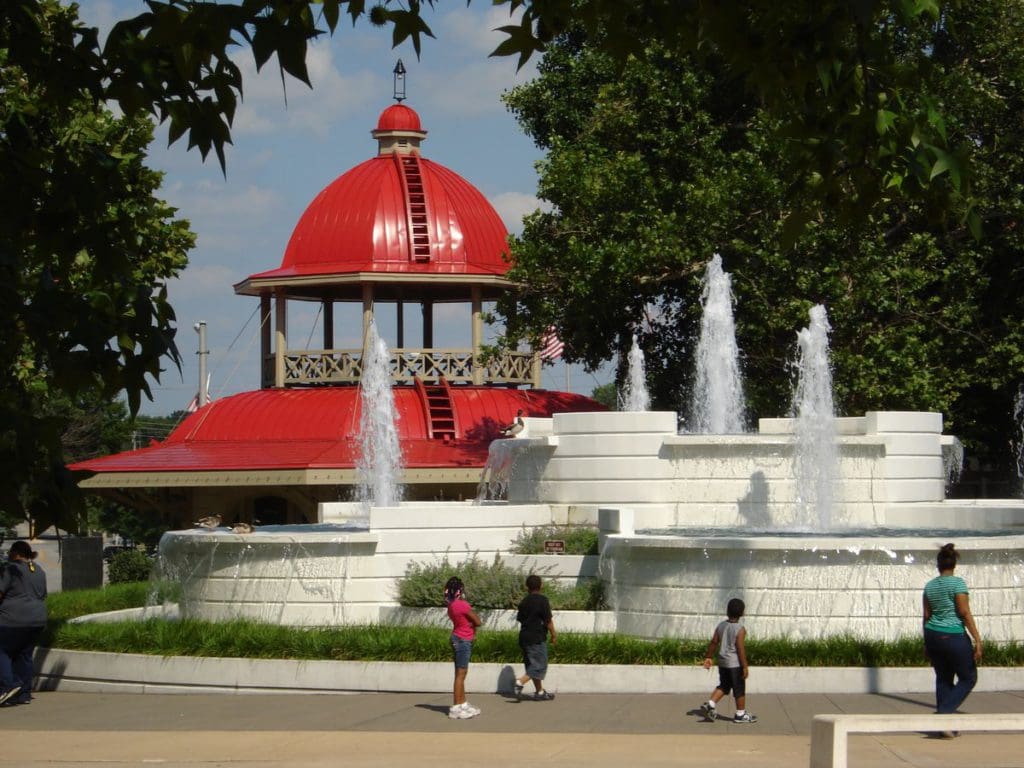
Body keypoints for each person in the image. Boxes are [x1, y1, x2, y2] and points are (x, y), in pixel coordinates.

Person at [923, 542, 982, 729]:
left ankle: (945, 727)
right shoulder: (958, 583)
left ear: (938, 565)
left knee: (943, 678)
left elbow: (926, 616)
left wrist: (926, 643)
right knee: (968, 678)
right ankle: (943, 714)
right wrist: (977, 640)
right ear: (954, 564)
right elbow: (964, 612)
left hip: (933, 635)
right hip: (953, 636)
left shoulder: (929, 586)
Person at [0, 541, 48, 706]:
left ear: (16, 553)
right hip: (37, 620)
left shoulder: (11, 569)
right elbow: (43, 595)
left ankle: (9, 686)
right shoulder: (39, 570)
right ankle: (24, 693)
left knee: (2, 650)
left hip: (12, 620)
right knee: (24, 655)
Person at [699, 597, 757, 723]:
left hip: (723, 662)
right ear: (742, 613)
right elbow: (740, 649)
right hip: (735, 664)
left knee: (724, 686)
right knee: (739, 689)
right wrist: (745, 666)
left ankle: (710, 704)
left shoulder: (721, 625)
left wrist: (708, 657)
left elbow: (714, 642)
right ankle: (740, 714)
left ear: (727, 611)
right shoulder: (740, 629)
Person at [513, 574, 557, 701]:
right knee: (540, 665)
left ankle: (540, 691)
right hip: (536, 637)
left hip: (524, 637)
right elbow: (548, 620)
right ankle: (520, 682)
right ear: (541, 585)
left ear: (527, 587)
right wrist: (553, 634)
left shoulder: (524, 601)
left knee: (531, 665)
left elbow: (520, 619)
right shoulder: (543, 600)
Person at [445, 575, 482, 719]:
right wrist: (473, 624)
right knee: (460, 675)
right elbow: (477, 621)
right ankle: (456, 707)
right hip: (462, 639)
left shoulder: (451, 606)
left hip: (459, 637)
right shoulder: (461, 604)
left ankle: (462, 703)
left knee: (461, 673)